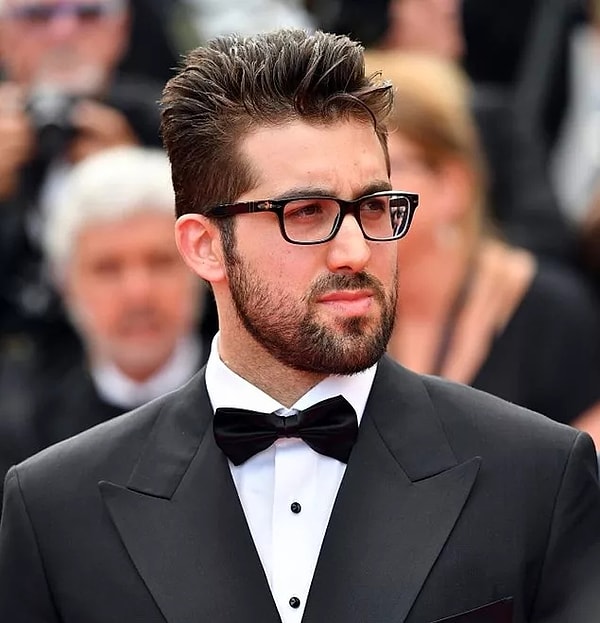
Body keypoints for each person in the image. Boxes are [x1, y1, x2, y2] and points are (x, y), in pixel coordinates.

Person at [1, 28, 600, 623]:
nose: (356, 251)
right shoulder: (56, 509)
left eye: (373, 207)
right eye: (307, 213)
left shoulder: (537, 475)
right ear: (205, 246)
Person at [363, 50, 600, 436]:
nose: (362, 192)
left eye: (388, 168)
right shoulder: (338, 302)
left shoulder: (551, 312)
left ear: (453, 185)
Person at [0, 146, 211, 499]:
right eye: (107, 269)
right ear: (65, 282)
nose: (138, 293)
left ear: (199, 267)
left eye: (160, 262)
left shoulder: (257, 405)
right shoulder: (22, 428)